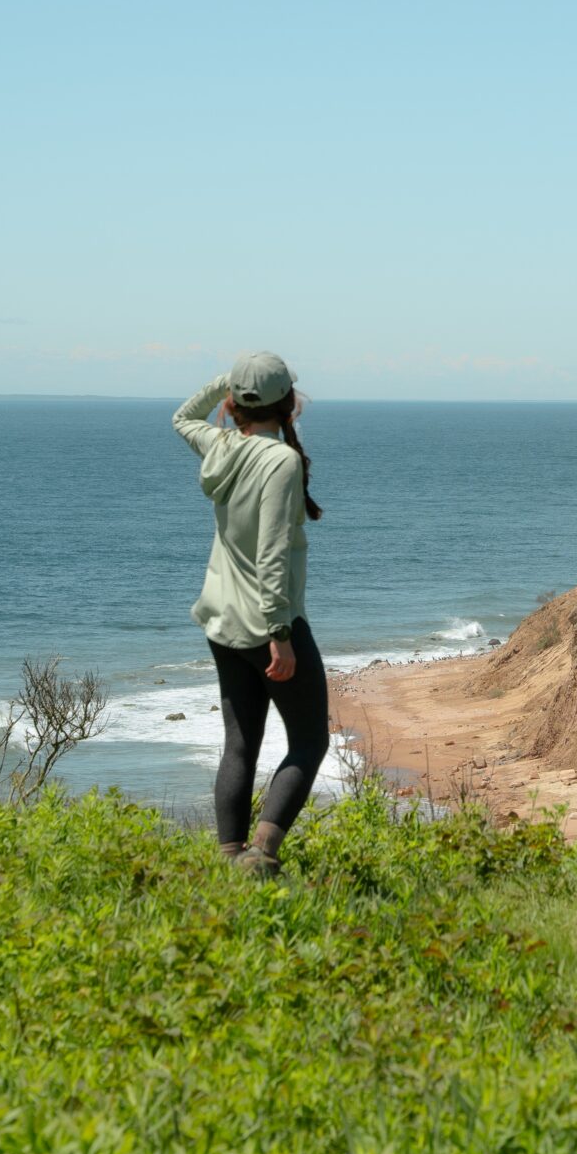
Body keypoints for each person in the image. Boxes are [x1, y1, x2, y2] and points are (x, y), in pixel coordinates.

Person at [172, 353, 330, 876]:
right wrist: (280, 633)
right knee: (309, 741)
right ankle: (260, 857)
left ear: (234, 405)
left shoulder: (220, 446)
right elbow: (272, 553)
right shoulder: (279, 461)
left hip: (222, 622)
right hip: (267, 625)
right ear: (288, 403)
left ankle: (228, 861)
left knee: (240, 746)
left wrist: (230, 382)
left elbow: (182, 417)